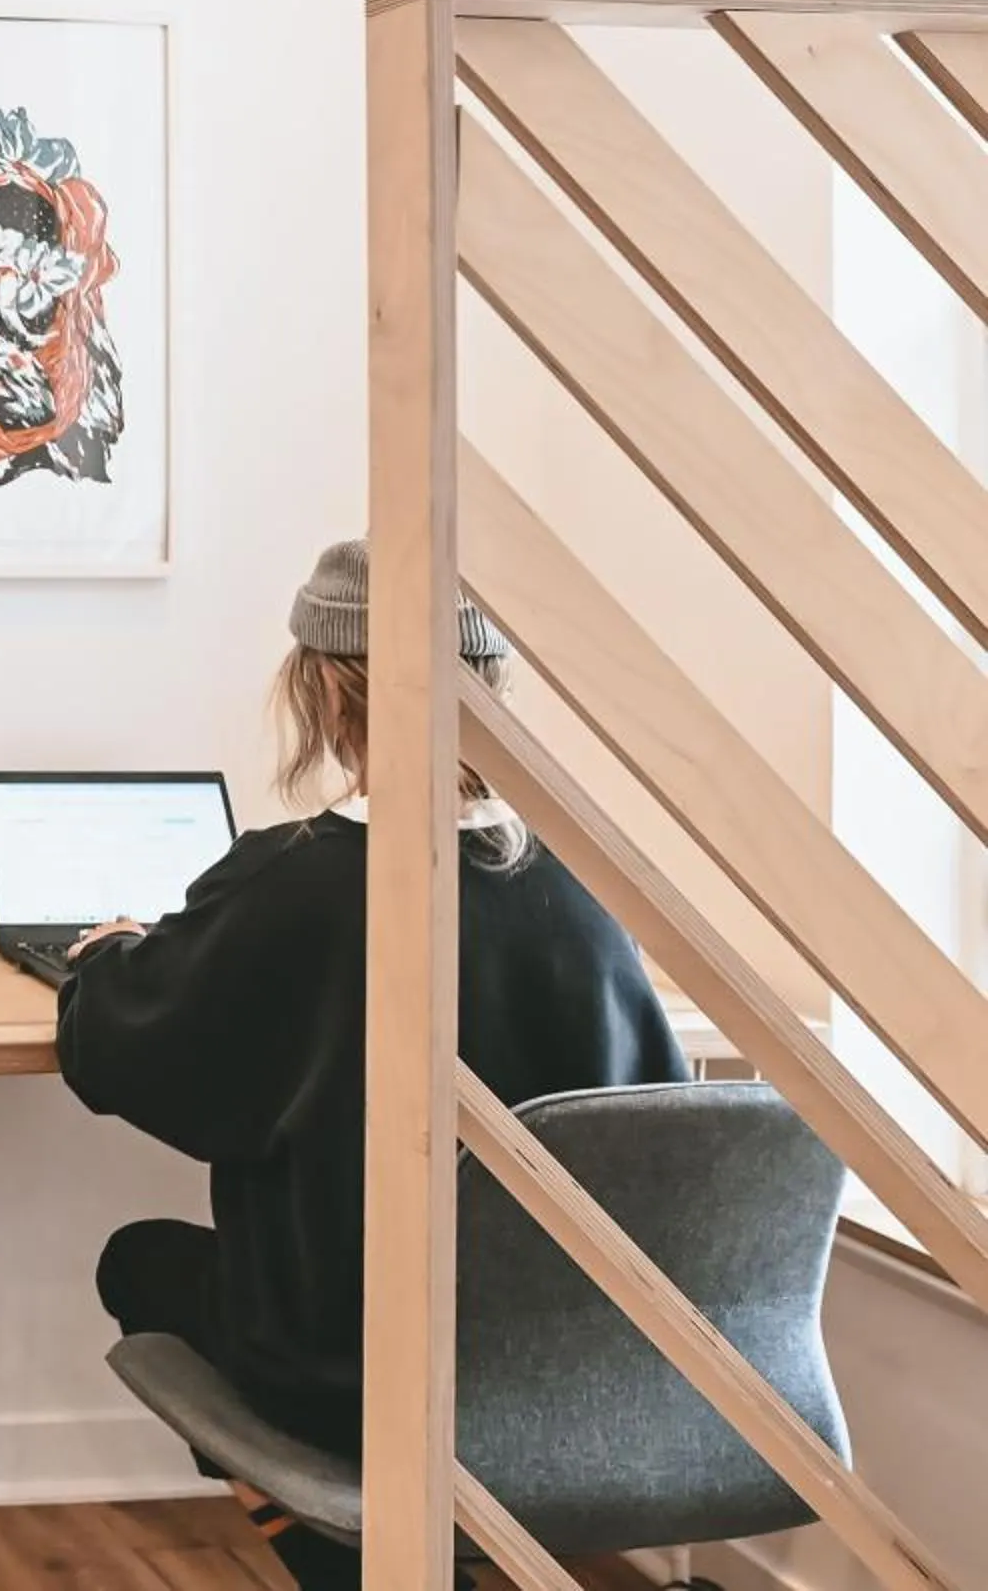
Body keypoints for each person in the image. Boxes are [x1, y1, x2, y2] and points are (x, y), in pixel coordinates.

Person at [53, 540, 688, 1589]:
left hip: (350, 1373)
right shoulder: (581, 900)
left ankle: (351, 1566)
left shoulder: (295, 886)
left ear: (327, 696)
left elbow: (118, 1045)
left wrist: (107, 956)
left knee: (140, 1262)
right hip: (573, 1376)